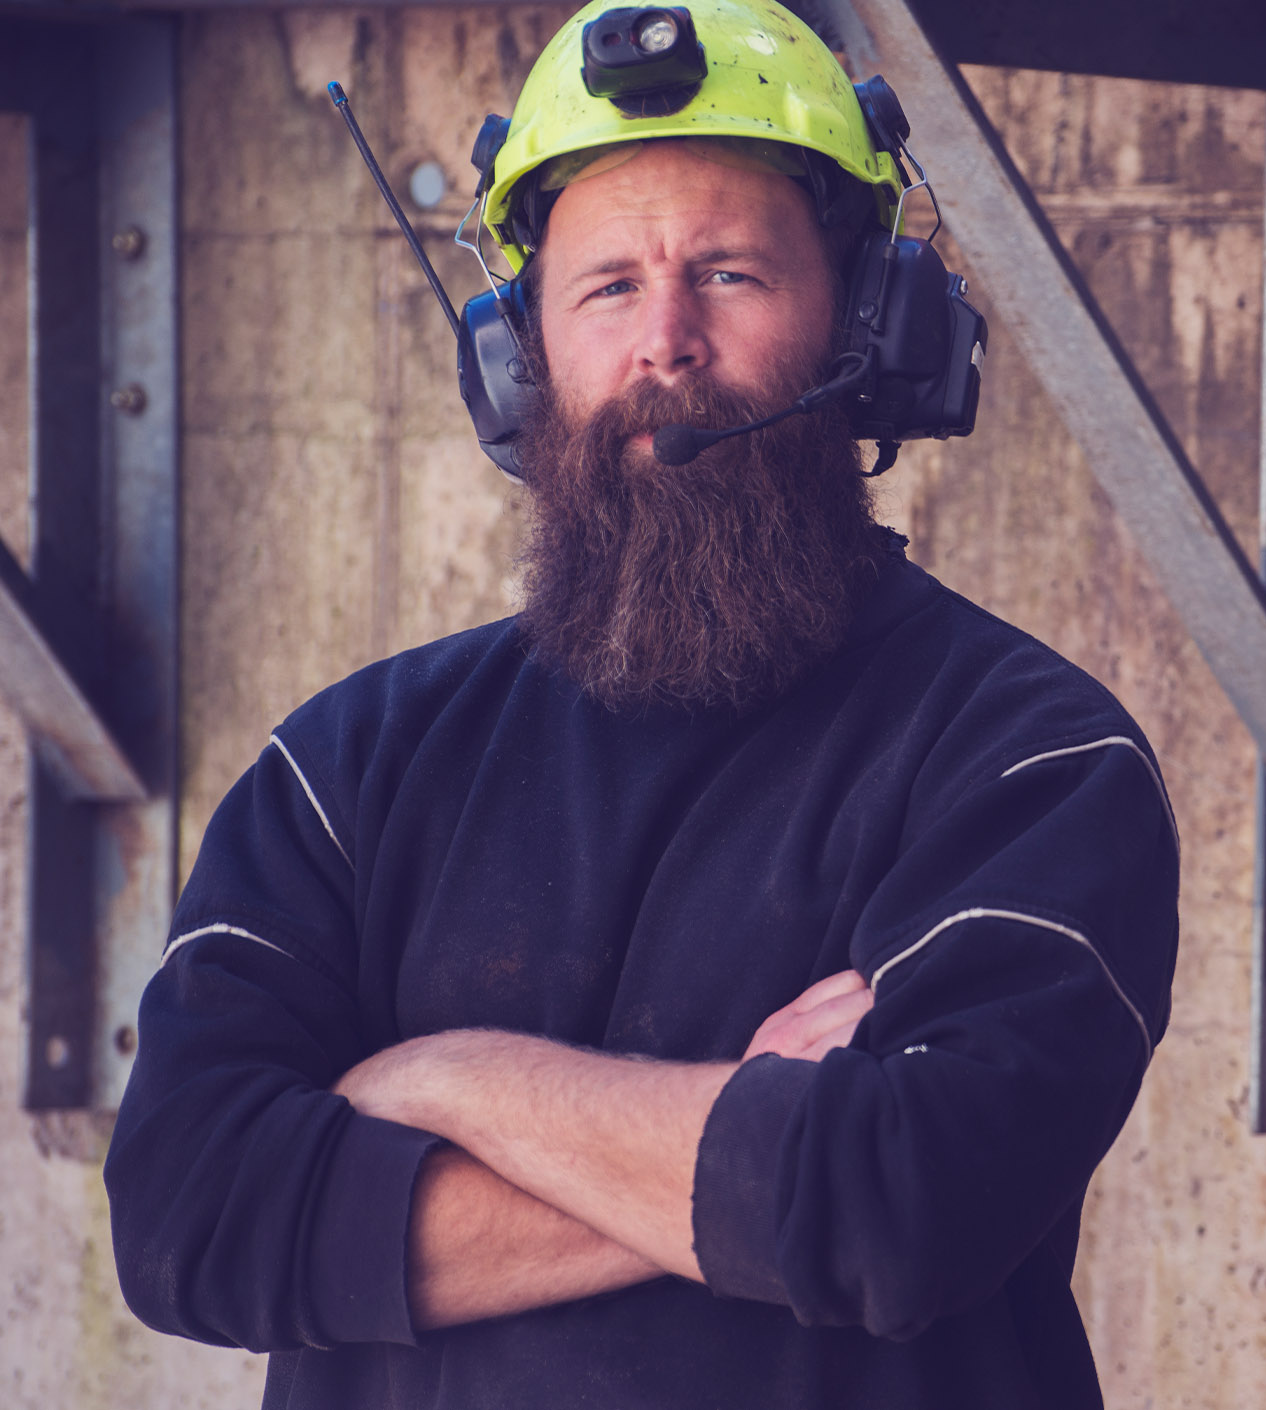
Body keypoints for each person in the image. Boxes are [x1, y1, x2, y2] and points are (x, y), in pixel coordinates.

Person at [101, 3, 1179, 1407]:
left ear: (868, 322)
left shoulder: (1032, 759)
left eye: (729, 273)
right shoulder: (347, 768)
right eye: (607, 285)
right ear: (521, 355)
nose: (665, 341)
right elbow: (192, 1219)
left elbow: (903, 1206)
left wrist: (446, 1078)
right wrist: (747, 1130)